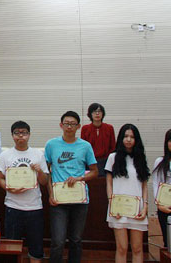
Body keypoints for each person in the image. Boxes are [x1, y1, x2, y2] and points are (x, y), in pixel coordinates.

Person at [45, 110, 98, 263]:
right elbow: (46, 172)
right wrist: (50, 194)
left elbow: (95, 172)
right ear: (61, 125)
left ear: (78, 126)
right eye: (66, 124)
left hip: (79, 200)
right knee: (58, 241)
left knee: (76, 239)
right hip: (59, 201)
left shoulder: (85, 146)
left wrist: (80, 178)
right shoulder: (51, 145)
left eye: (73, 124)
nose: (69, 127)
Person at [0, 121, 48, 263]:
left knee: (36, 249)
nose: (20, 136)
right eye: (17, 133)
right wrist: (8, 187)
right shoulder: (5, 155)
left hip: (34, 207)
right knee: (12, 249)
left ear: (29, 135)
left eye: (24, 133)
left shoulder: (38, 154)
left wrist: (39, 171)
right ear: (12, 135)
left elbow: (44, 181)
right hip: (13, 207)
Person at [105, 124, 150, 263]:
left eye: (132, 137)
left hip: (137, 208)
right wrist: (112, 204)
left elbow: (144, 185)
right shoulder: (113, 157)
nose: (129, 139)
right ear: (121, 138)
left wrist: (145, 206)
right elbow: (109, 184)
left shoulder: (140, 158)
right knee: (122, 248)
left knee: (137, 248)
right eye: (126, 136)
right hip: (118, 208)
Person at [81, 103, 115, 176]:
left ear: (103, 114)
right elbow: (83, 148)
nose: (97, 114)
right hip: (90, 162)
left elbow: (113, 147)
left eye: (99, 111)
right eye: (94, 111)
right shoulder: (85, 128)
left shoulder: (109, 128)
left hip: (106, 161)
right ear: (90, 114)